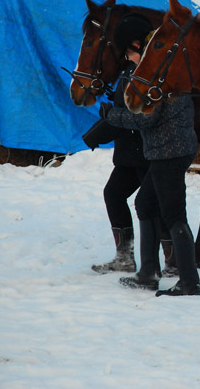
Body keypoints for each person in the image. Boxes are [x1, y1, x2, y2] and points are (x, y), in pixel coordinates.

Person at [101, 19, 200, 296]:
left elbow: (146, 118)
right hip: (168, 150)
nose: (128, 58)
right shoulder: (167, 70)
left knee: (174, 215)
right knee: (145, 204)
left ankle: (189, 282)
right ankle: (147, 272)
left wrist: (110, 115)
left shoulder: (159, 75)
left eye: (130, 51)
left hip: (169, 152)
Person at [82, 14, 151, 275]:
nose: (127, 54)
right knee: (113, 194)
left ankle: (174, 260)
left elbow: (137, 115)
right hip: (129, 153)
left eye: (131, 49)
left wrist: (107, 121)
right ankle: (124, 257)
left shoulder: (149, 73)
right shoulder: (127, 71)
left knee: (157, 205)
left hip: (148, 152)